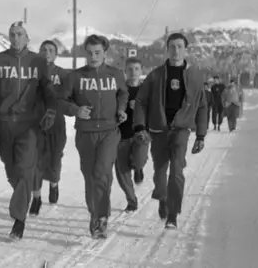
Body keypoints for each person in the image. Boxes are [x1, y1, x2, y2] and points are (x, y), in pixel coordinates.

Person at [0, 21, 57, 240]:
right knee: (12, 171)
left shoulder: (37, 61)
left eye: (20, 34)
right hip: (5, 124)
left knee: (25, 169)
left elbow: (48, 90)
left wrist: (51, 110)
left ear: (27, 38)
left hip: (29, 124)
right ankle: (25, 197)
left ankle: (19, 219)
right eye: (12, 34)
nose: (16, 38)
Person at [133, 32, 208, 229]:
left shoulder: (194, 76)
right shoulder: (155, 75)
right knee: (159, 173)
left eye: (179, 46)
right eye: (172, 46)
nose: (176, 50)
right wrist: (140, 126)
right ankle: (163, 197)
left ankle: (173, 214)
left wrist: (201, 135)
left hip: (181, 130)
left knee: (176, 171)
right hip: (158, 130)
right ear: (167, 49)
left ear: (186, 50)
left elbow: (202, 106)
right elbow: (140, 101)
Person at [60, 35, 129, 239]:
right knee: (91, 176)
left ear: (104, 53)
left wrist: (122, 109)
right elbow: (60, 101)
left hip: (109, 131)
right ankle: (96, 212)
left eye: (97, 52)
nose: (93, 56)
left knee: (101, 172)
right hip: (85, 133)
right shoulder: (74, 77)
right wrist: (75, 109)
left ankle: (100, 218)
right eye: (89, 52)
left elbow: (123, 94)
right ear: (85, 53)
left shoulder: (115, 74)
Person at [31, 39, 69, 212]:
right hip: (35, 123)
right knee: (34, 161)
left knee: (54, 160)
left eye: (51, 50)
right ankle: (36, 198)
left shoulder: (62, 74)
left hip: (56, 123)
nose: (47, 52)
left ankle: (54, 183)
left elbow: (72, 95)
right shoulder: (31, 72)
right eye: (43, 49)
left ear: (56, 54)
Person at [114, 57, 150, 214]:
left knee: (139, 159)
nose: (133, 72)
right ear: (124, 71)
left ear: (141, 71)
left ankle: (139, 168)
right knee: (121, 171)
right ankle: (131, 200)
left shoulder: (148, 91)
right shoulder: (119, 91)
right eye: (129, 69)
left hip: (141, 134)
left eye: (136, 69)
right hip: (121, 134)